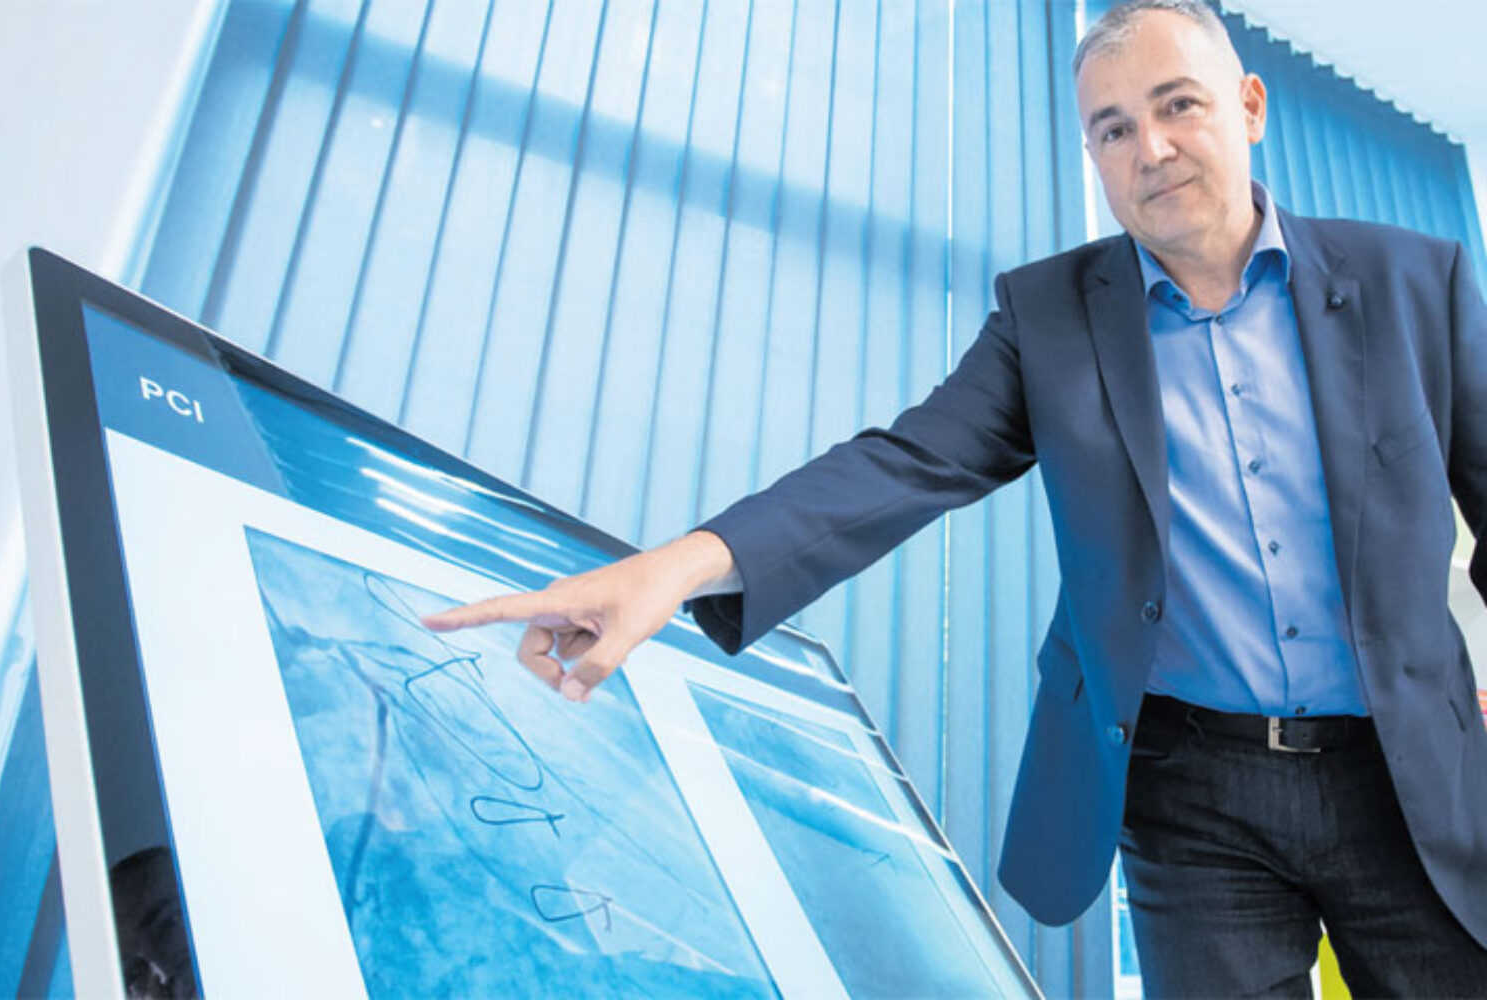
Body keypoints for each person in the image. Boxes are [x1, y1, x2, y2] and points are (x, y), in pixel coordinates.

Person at [425, 1, 1487, 994]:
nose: (1151, 149)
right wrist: (674, 568)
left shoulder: (1413, 281)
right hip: (1193, 790)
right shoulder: (1051, 315)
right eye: (1113, 129)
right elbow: (906, 461)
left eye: (1178, 106)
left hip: (1408, 771)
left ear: (1248, 106)